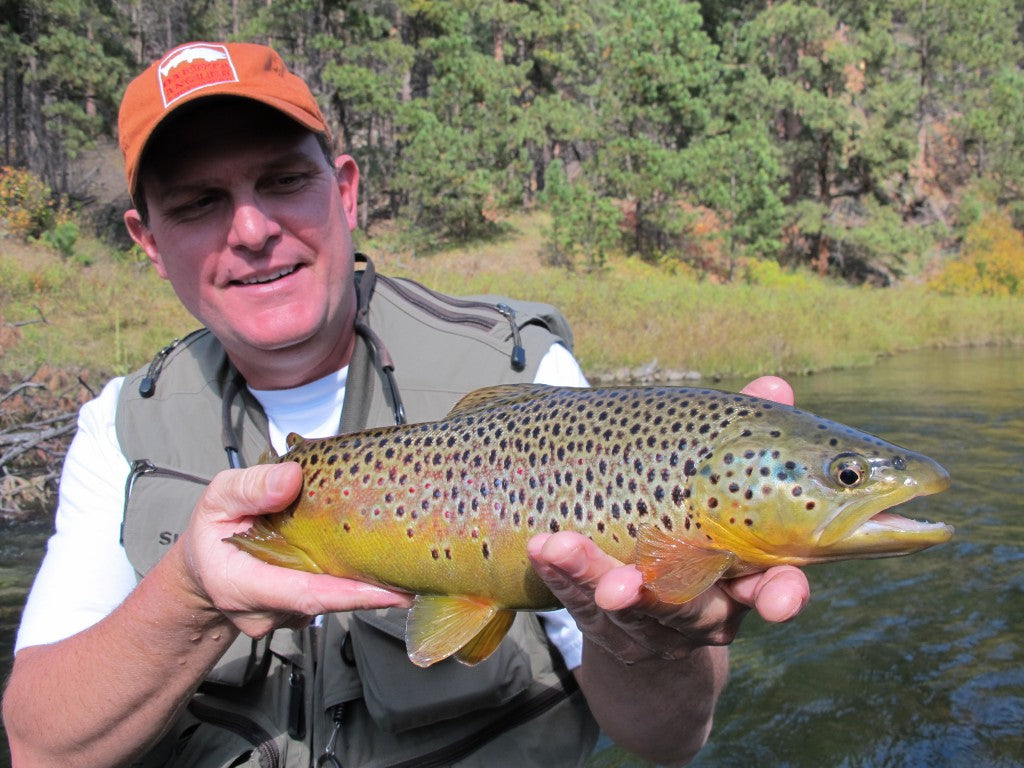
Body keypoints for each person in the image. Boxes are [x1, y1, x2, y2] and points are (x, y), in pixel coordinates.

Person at [2, 41, 810, 768]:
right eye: (197, 204)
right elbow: (41, 748)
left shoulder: (527, 375)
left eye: (283, 180)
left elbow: (668, 741)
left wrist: (650, 645)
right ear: (147, 242)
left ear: (345, 190)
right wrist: (192, 595)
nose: (250, 229)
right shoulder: (119, 426)